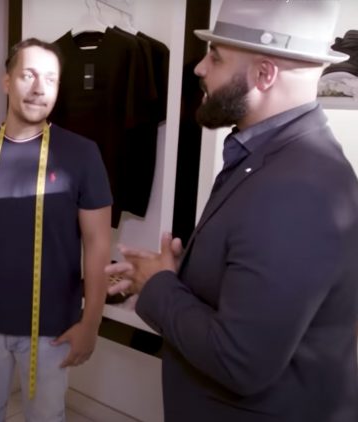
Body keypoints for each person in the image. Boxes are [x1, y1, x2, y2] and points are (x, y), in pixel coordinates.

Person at [106, 1, 358, 421]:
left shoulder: (301, 187)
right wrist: (183, 273)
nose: (200, 68)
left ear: (264, 74)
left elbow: (241, 361)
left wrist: (159, 285)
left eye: (216, 57)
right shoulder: (267, 157)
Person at [0, 38, 112, 422]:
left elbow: (98, 242)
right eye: (28, 75)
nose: (39, 88)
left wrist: (91, 322)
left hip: (54, 328)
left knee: (46, 417)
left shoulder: (83, 155)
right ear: (6, 81)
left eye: (50, 79)